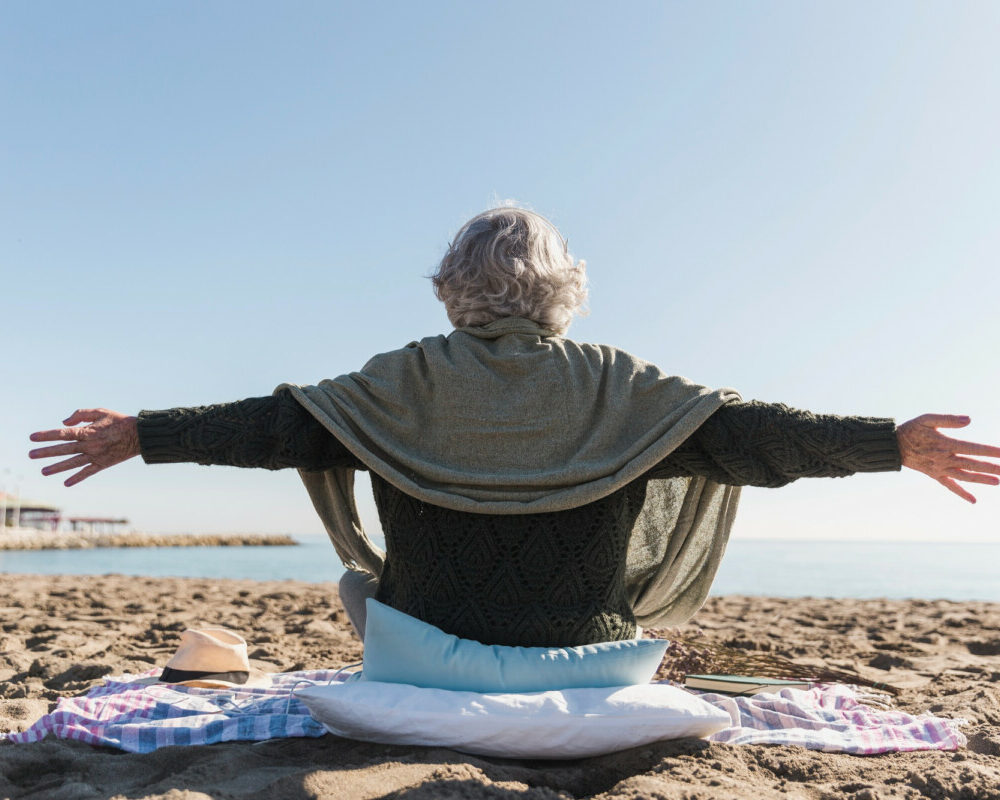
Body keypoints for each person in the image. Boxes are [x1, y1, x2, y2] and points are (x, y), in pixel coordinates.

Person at [28, 207, 1000, 648]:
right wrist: (892, 443)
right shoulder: (624, 387)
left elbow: (274, 426)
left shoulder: (397, 381)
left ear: (453, 289)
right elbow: (757, 436)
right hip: (592, 645)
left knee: (354, 580)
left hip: (422, 650)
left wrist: (142, 433)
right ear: (565, 291)